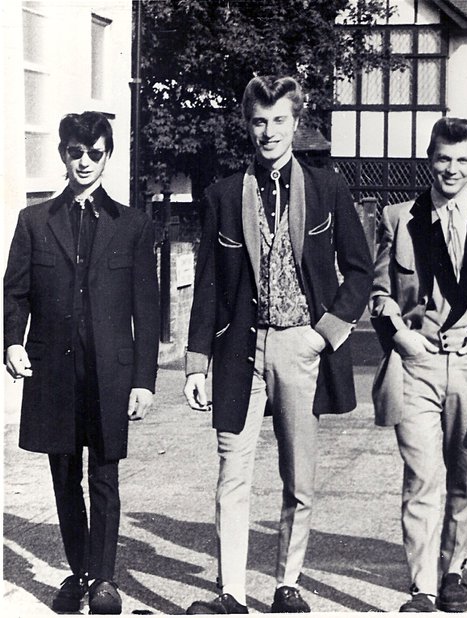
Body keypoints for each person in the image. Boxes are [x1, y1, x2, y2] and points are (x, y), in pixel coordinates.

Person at [182, 75, 373, 614]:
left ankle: (287, 582)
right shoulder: (223, 195)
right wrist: (196, 364)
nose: (269, 132)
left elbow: (359, 272)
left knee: (300, 474)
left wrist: (323, 335)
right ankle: (231, 593)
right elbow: (209, 287)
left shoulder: (328, 187)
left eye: (280, 120)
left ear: (297, 122)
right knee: (232, 473)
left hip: (300, 346)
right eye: (259, 121)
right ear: (248, 125)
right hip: (240, 349)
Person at [4, 111, 160, 614]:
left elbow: (147, 309)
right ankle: (79, 572)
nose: (86, 162)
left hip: (109, 374)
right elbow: (16, 293)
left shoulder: (133, 225)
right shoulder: (34, 221)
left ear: (108, 156)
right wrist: (12, 342)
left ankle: (106, 581)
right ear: (63, 155)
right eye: (77, 152)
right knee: (64, 474)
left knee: (105, 475)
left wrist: (144, 381)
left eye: (95, 153)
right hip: (53, 371)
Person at [370, 117, 467, 612]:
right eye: (443, 158)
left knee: (464, 476)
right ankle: (422, 585)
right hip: (416, 363)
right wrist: (403, 340)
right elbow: (379, 294)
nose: (451, 169)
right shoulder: (398, 218)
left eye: (462, 160)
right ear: (429, 159)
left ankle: (453, 571)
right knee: (421, 476)